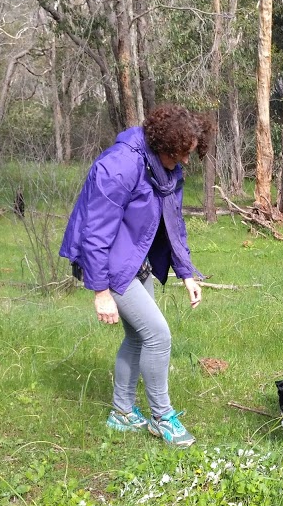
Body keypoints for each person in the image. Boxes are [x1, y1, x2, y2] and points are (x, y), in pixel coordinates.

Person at [60, 104, 211, 446]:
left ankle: (122, 413)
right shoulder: (120, 166)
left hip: (135, 259)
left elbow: (175, 223)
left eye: (189, 153)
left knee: (138, 337)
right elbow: (96, 234)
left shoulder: (167, 169)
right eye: (180, 154)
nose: (185, 161)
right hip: (110, 264)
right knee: (159, 336)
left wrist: (186, 274)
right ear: (163, 145)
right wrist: (100, 291)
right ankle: (161, 417)